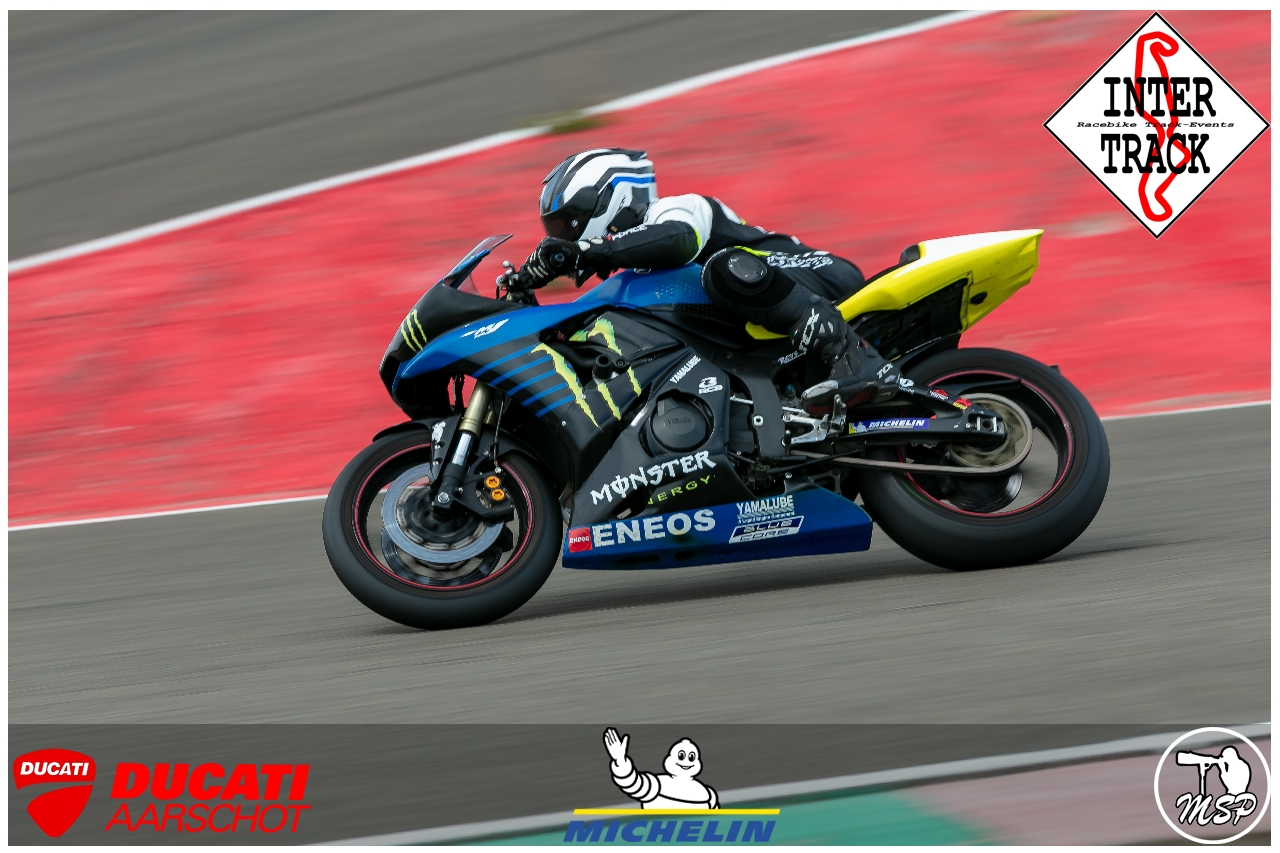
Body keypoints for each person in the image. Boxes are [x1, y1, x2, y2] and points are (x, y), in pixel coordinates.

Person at [499, 148, 895, 404]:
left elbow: (679, 241)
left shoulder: (677, 209)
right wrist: (535, 317)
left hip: (818, 274)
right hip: (767, 327)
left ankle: (852, 355)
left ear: (608, 197)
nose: (565, 238)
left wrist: (584, 250)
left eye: (568, 225)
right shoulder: (636, 273)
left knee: (722, 268)